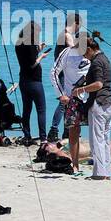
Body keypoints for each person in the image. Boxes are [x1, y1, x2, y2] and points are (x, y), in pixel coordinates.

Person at [72, 33, 111, 180]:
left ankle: (99, 173)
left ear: (89, 49)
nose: (84, 57)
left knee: (96, 140)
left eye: (84, 53)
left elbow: (98, 84)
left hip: (99, 103)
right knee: (105, 140)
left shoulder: (96, 62)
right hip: (109, 103)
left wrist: (80, 90)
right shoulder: (105, 58)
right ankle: (106, 172)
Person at [51, 24, 91, 168]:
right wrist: (61, 94)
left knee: (95, 132)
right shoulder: (67, 52)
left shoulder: (90, 54)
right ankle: (75, 165)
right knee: (73, 132)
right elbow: (54, 73)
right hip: (72, 99)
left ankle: (100, 163)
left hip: (90, 98)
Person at [14, 20, 49, 144]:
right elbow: (32, 64)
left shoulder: (19, 44)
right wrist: (41, 57)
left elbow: (27, 59)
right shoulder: (30, 45)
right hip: (34, 81)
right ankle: (43, 138)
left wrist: (39, 48)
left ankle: (27, 135)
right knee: (41, 109)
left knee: (26, 110)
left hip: (23, 81)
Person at [48, 12, 82, 142]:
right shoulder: (67, 35)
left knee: (67, 103)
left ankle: (66, 131)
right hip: (62, 73)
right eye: (79, 25)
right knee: (64, 102)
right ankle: (54, 129)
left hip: (64, 72)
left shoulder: (64, 34)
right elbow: (75, 51)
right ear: (76, 23)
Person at [40, 136, 111, 168]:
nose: (50, 144)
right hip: (97, 153)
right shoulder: (60, 157)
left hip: (98, 148)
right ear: (48, 153)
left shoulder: (62, 148)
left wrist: (62, 143)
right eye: (47, 146)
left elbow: (72, 139)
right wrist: (87, 159)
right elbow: (74, 162)